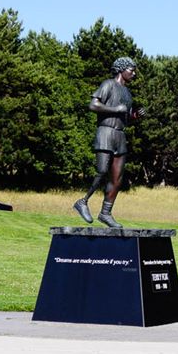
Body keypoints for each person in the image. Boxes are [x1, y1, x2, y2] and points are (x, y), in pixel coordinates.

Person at [73, 57, 143, 227]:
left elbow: (124, 117)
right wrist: (115, 109)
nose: (133, 74)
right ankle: (83, 202)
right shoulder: (108, 85)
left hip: (120, 135)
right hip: (105, 132)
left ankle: (106, 213)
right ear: (121, 69)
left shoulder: (127, 93)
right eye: (131, 70)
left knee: (117, 177)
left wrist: (135, 116)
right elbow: (93, 105)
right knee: (102, 170)